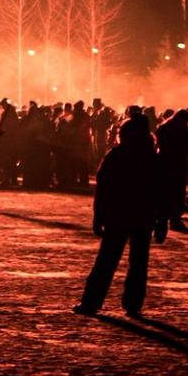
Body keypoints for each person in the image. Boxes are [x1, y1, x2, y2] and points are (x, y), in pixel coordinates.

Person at [74, 111, 162, 317]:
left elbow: (103, 189)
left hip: (118, 215)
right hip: (143, 215)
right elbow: (159, 191)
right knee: (139, 263)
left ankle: (91, 301)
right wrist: (161, 220)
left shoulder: (115, 156)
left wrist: (98, 216)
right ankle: (133, 304)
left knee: (106, 260)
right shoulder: (152, 158)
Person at [155, 108, 188, 233]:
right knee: (173, 193)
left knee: (170, 193)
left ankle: (170, 218)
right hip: (173, 165)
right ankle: (172, 219)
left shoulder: (164, 128)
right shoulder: (179, 130)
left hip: (168, 165)